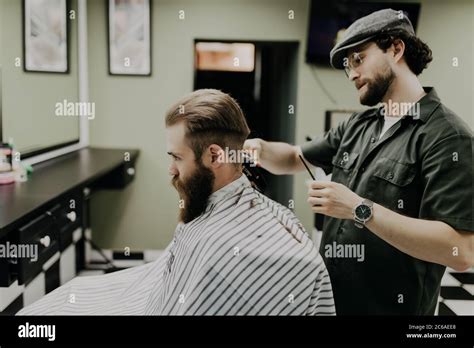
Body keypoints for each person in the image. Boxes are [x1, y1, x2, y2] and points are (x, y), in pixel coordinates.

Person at [18, 89, 335, 315]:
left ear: (214, 156)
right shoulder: (216, 208)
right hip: (143, 297)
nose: (170, 168)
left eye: (176, 157)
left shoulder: (236, 250)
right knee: (67, 299)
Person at [244, 9, 473, 315]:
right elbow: (293, 157)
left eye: (358, 59)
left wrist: (357, 208)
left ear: (395, 48)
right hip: (330, 302)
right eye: (346, 65)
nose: (351, 73)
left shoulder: (448, 137)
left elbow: (460, 251)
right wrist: (253, 148)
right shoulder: (359, 124)